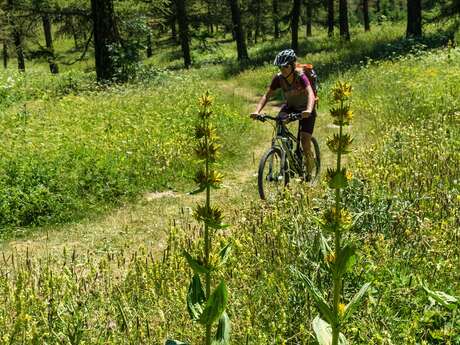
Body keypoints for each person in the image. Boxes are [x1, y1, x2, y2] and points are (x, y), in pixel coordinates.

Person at [250, 49, 317, 177]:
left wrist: (308, 110)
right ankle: (288, 157)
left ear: (292, 65)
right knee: (279, 124)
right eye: (280, 67)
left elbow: (310, 93)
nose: (282, 69)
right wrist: (257, 111)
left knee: (305, 141)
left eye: (285, 66)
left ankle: (309, 170)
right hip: (291, 107)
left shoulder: (300, 76)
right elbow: (267, 95)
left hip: (306, 109)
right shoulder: (279, 78)